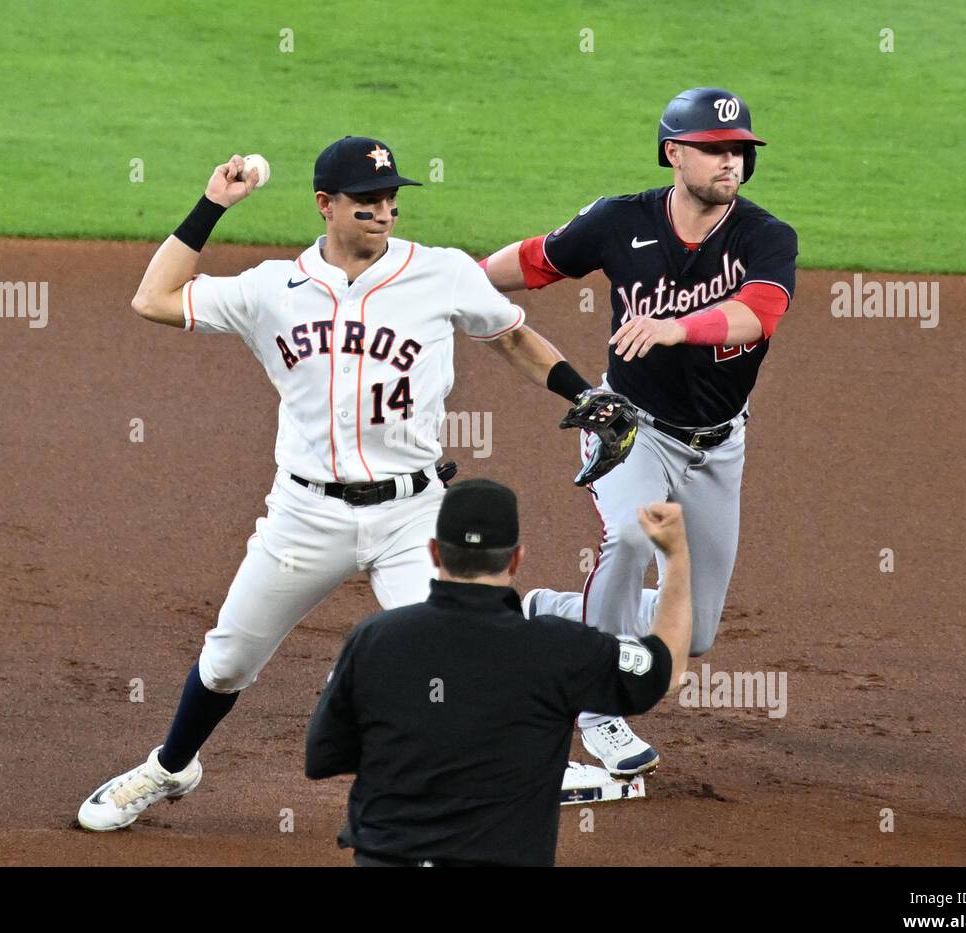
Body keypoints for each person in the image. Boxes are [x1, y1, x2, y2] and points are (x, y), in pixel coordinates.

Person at [76, 136, 633, 832]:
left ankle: (526, 768)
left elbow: (513, 335)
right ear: (325, 205)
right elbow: (152, 298)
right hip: (305, 514)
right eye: (367, 199)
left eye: (391, 197)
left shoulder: (440, 273)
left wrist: (585, 395)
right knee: (227, 661)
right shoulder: (270, 289)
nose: (384, 209)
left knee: (457, 655)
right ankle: (170, 766)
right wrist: (213, 206)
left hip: (413, 517)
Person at [479, 87, 799, 774]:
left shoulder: (766, 237)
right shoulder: (619, 222)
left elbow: (759, 315)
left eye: (740, 150)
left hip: (718, 446)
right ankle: (598, 706)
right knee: (626, 538)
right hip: (630, 428)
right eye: (715, 150)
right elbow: (533, 262)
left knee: (698, 632)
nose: (731, 161)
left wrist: (676, 327)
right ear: (673, 153)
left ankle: (557, 610)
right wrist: (452, 282)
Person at [304, 479, 692, 866]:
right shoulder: (563, 650)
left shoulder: (373, 640)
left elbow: (324, 756)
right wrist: (676, 558)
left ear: (435, 553)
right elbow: (667, 670)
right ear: (516, 559)